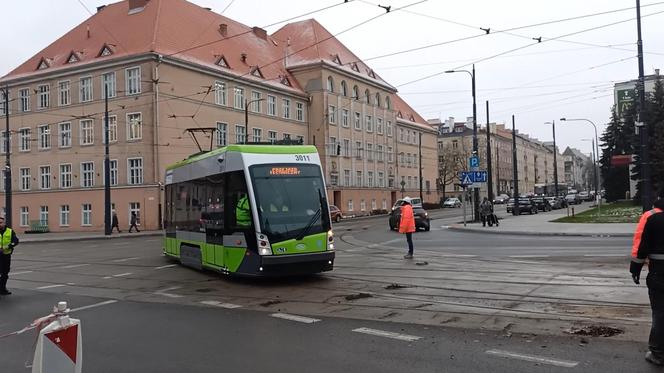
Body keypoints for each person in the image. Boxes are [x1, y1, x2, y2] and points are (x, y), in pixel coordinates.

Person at [630, 187, 664, 365]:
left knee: (659, 313)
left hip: (659, 272)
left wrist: (634, 269)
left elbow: (641, 246)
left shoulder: (652, 217)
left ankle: (657, 353)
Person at [0, 216, 20, 295]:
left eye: (1, 223)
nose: (0, 224)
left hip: (6, 255)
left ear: (4, 223)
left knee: (5, 273)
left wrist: (8, 246)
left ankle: (2, 289)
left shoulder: (10, 231)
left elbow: (15, 241)